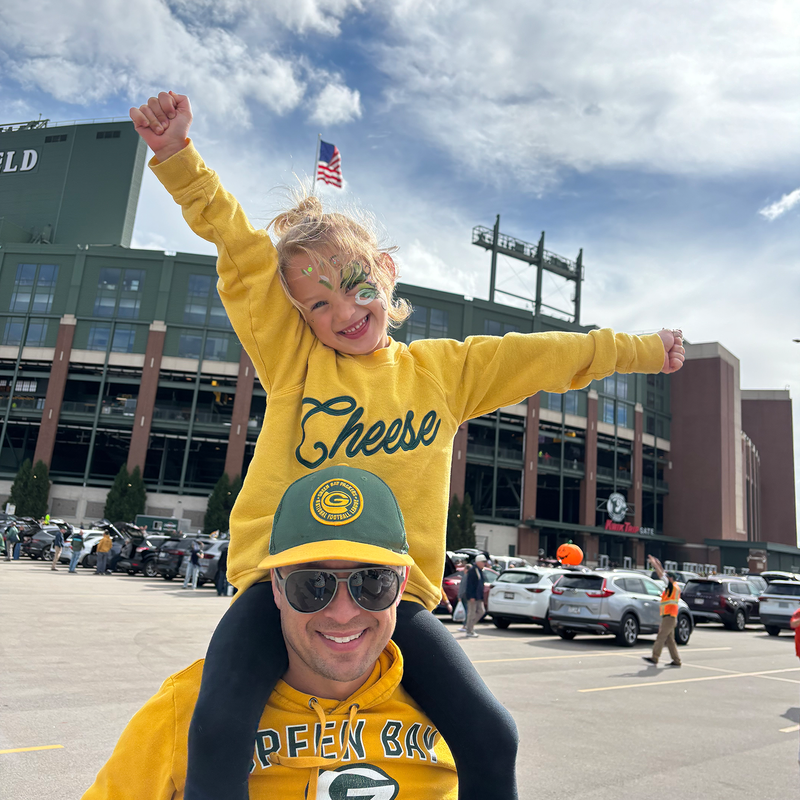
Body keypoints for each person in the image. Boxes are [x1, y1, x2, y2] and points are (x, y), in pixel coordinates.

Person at [130, 90, 685, 800]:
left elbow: (545, 355)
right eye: (317, 306)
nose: (343, 313)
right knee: (216, 727)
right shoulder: (297, 362)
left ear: (385, 272)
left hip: (396, 597)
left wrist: (639, 348)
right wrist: (178, 158)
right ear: (298, 317)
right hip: (285, 590)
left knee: (493, 736)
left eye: (354, 287)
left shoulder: (442, 374)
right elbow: (239, 247)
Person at [82, 466, 458, 799]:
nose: (343, 613)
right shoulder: (183, 710)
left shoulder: (452, 722)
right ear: (276, 588)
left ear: (403, 583)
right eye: (312, 585)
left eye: (373, 581)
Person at [643, 555, 682, 667]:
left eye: (668, 577)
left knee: (661, 637)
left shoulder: (672, 587)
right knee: (670, 640)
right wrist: (658, 564)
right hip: (670, 616)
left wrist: (655, 565)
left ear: (671, 579)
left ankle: (655, 657)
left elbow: (661, 575)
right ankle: (676, 660)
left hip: (669, 617)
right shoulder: (673, 587)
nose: (666, 578)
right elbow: (663, 573)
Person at [464, 555, 487, 639]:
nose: (484, 563)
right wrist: (471, 596)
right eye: (483, 562)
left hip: (479, 597)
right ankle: (469, 631)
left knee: (481, 611)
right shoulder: (473, 570)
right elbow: (470, 584)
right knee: (472, 613)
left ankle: (470, 626)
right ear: (478, 562)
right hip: (473, 596)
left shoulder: (481, 570)